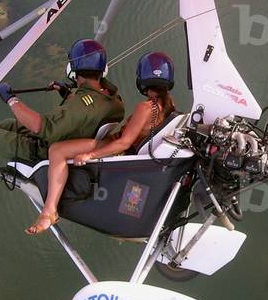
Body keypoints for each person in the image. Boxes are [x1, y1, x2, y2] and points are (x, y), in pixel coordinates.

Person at [26, 51, 177, 235]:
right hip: (125, 151)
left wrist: (91, 155)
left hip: (116, 150)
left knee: (57, 150)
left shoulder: (145, 108)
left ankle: (49, 211)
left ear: (141, 79)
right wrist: (66, 93)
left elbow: (123, 143)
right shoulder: (169, 107)